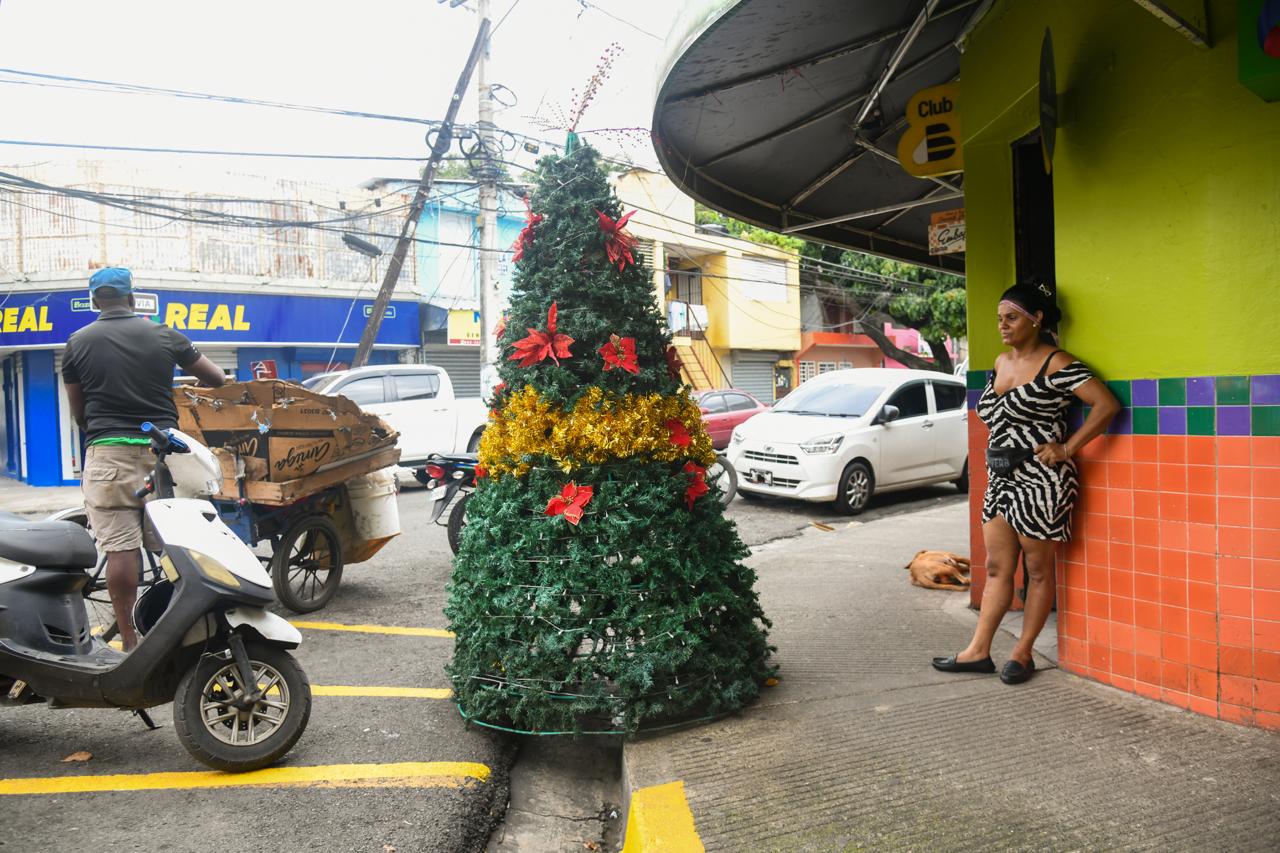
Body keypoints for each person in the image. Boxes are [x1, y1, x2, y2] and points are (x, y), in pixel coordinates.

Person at [932, 282, 1120, 684]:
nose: (1003, 325)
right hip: (1001, 477)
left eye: (1011, 317)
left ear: (1036, 320)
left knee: (1037, 570)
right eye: (1000, 318)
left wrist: (1067, 448)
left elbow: (1106, 405)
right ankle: (977, 651)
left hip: (1041, 480)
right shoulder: (1001, 363)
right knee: (998, 567)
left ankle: (1023, 652)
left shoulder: (1057, 363)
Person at [62, 268, 226, 650]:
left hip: (108, 454)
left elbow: (79, 412)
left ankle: (132, 643)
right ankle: (182, 630)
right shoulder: (165, 334)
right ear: (132, 298)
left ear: (94, 301)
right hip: (164, 457)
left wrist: (102, 429)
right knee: (175, 547)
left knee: (121, 548)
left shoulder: (77, 342)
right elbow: (216, 378)